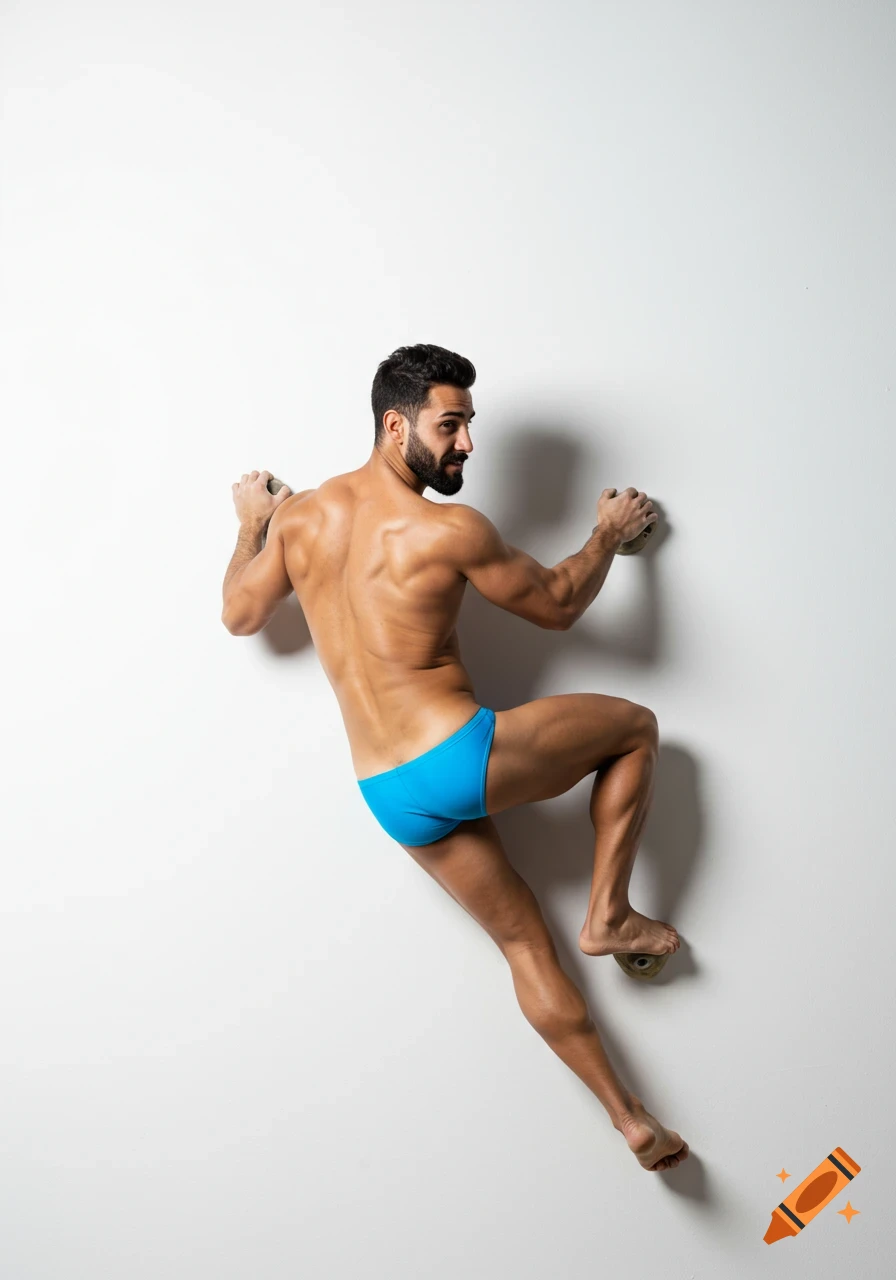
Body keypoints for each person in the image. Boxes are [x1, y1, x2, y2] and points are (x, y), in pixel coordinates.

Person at [222, 343, 688, 1174]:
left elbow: (237, 613)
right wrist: (608, 536)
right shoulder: (447, 530)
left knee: (523, 949)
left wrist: (252, 520)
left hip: (387, 790)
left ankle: (631, 1122)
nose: (467, 444)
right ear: (394, 424)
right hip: (454, 751)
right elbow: (555, 605)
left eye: (470, 424)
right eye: (451, 424)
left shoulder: (298, 522)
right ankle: (609, 912)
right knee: (636, 727)